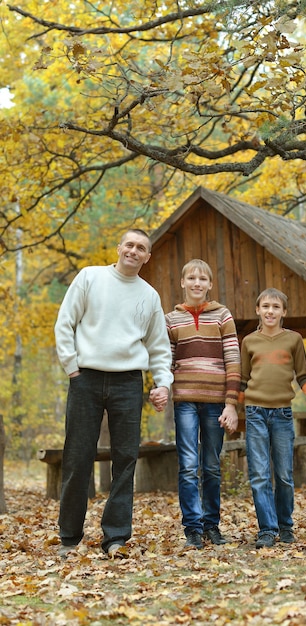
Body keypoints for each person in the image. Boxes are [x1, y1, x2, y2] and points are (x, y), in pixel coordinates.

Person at [54, 228, 173, 559]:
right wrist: (72, 368)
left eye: (141, 248)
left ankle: (116, 537)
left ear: (147, 257)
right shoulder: (90, 277)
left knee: (125, 459)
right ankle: (69, 537)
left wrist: (163, 382)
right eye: (130, 245)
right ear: (120, 247)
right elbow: (65, 323)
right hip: (86, 379)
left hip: (127, 382)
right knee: (78, 457)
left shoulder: (149, 296)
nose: (134, 251)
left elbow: (159, 347)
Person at [165, 259, 241, 549]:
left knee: (210, 465)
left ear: (210, 284)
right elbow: (166, 362)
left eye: (203, 279)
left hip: (215, 402)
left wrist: (230, 403)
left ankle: (212, 525)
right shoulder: (171, 320)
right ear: (183, 283)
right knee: (187, 465)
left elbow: (233, 361)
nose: (197, 283)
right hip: (184, 401)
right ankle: (192, 529)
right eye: (191, 278)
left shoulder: (222, 316)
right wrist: (161, 387)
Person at [240, 288, 306, 548]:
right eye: (266, 306)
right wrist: (231, 407)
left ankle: (285, 526)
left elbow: (303, 375)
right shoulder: (249, 341)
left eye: (276, 307)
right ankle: (267, 529)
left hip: (282, 414)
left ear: (284, 312)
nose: (270, 311)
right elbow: (242, 380)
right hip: (255, 413)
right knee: (259, 474)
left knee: (283, 475)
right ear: (258, 310)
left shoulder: (293, 340)